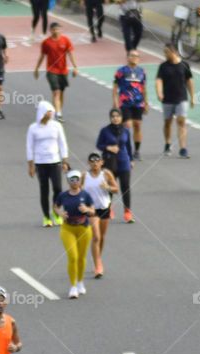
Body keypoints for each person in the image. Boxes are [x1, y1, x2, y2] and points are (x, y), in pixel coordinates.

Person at [26, 101, 69, 228]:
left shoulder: (56, 126)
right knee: (44, 190)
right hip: (40, 163)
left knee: (58, 189)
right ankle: (46, 217)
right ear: (42, 113)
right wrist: (31, 165)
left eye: (52, 112)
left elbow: (63, 143)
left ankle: (56, 212)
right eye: (48, 112)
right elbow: (29, 147)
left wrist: (65, 161)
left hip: (55, 161)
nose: (51, 114)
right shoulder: (33, 128)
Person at [55, 170, 95, 299]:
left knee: (81, 257)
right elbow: (55, 207)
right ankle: (72, 286)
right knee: (73, 256)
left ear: (80, 181)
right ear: (68, 181)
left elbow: (93, 211)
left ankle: (80, 282)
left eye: (77, 179)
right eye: (72, 180)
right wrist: (60, 214)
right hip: (68, 229)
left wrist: (87, 210)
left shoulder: (85, 195)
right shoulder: (63, 195)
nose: (75, 182)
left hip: (83, 228)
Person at [155, 42, 194, 159]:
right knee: (168, 122)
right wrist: (159, 92)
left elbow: (189, 81)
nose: (165, 55)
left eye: (167, 52)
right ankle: (167, 143)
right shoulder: (163, 66)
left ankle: (183, 148)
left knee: (181, 122)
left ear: (174, 52)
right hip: (167, 99)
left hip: (181, 98)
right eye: (164, 52)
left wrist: (193, 96)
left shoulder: (184, 65)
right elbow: (159, 80)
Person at [82, 152, 118, 278]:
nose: (95, 163)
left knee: (102, 237)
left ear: (101, 162)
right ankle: (98, 265)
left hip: (104, 208)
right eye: (92, 161)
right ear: (89, 163)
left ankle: (98, 259)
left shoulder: (106, 174)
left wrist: (107, 187)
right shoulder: (84, 176)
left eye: (97, 161)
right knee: (96, 237)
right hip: (91, 210)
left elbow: (116, 189)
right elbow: (78, 190)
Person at [96, 109, 134, 223]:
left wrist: (131, 160)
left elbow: (129, 146)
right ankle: (108, 208)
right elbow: (98, 144)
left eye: (117, 116)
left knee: (125, 187)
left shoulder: (126, 131)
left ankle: (127, 212)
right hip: (109, 161)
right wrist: (108, 147)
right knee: (110, 186)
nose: (115, 118)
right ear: (110, 118)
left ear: (121, 117)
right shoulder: (105, 130)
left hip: (123, 161)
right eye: (113, 116)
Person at [34, 23, 77, 121]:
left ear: (60, 30)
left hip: (63, 71)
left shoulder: (66, 40)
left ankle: (58, 111)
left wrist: (75, 67)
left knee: (61, 92)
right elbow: (42, 56)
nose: (56, 31)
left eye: (58, 29)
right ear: (50, 30)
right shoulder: (46, 43)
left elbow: (70, 54)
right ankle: (58, 114)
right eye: (54, 29)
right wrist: (37, 68)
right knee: (56, 92)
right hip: (51, 71)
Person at [113, 51, 147, 161]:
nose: (134, 58)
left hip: (138, 103)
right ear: (127, 58)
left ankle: (137, 151)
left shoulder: (142, 71)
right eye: (132, 56)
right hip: (125, 102)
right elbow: (115, 87)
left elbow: (144, 88)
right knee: (127, 125)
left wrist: (146, 102)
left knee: (137, 125)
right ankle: (125, 150)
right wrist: (115, 102)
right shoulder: (121, 71)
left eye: (136, 56)